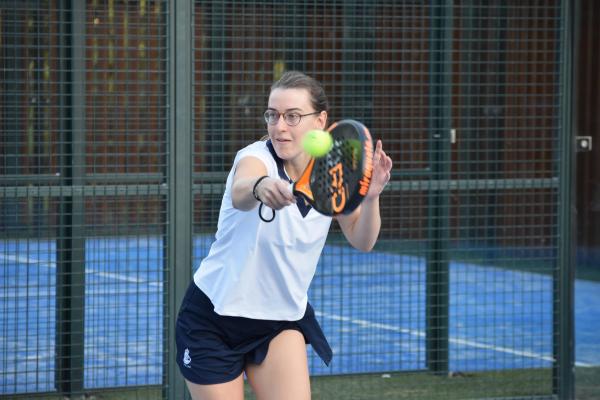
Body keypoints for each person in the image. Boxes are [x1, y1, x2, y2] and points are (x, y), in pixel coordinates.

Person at [175, 70, 393, 400]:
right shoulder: (255, 157)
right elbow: (242, 189)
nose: (279, 127)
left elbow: (362, 241)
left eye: (292, 116)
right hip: (213, 322)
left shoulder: (333, 171)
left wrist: (372, 196)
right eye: (272, 115)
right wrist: (262, 187)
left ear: (320, 121)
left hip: (280, 321)